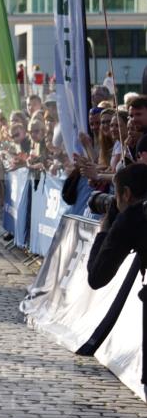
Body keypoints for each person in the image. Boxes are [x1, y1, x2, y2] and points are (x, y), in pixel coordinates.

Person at [87, 162, 147, 389]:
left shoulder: (133, 216)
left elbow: (97, 276)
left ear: (127, 194)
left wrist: (104, 231)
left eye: (117, 196)